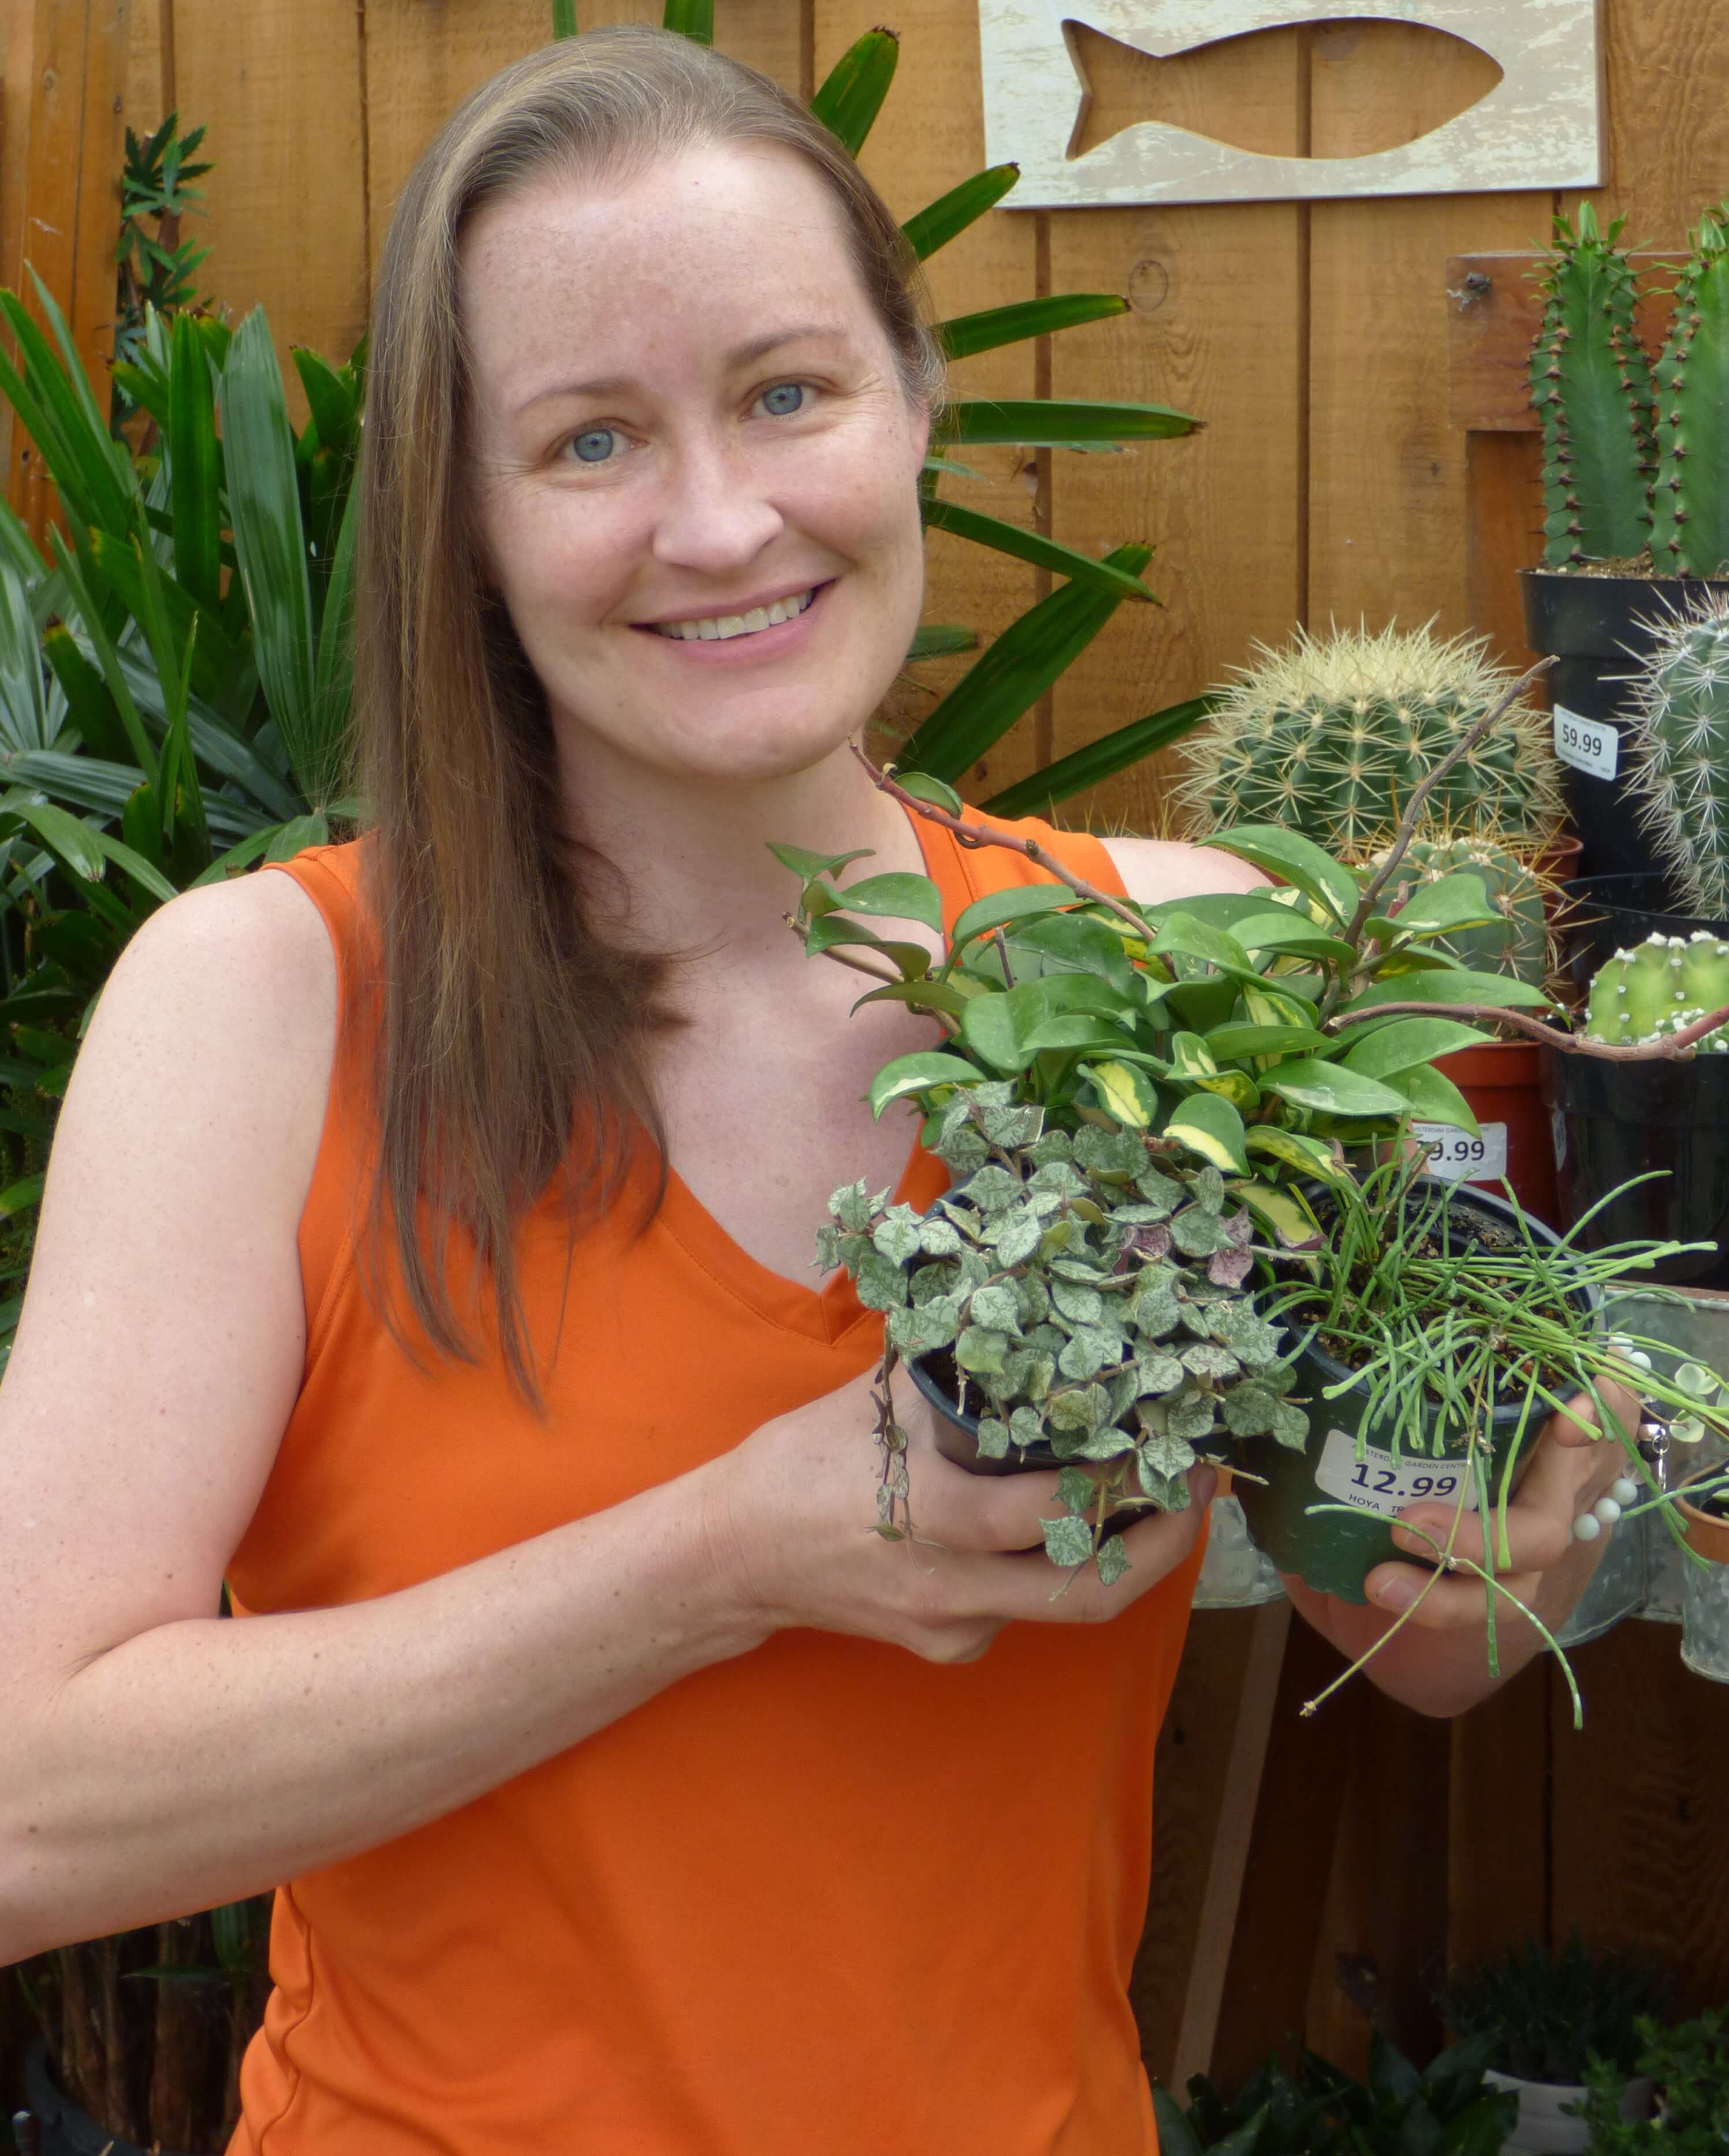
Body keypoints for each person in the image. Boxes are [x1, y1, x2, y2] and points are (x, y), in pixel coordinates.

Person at [0, 27, 1631, 2155]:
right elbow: (30, 1806)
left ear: (909, 406)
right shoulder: (272, 1006)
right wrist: (725, 1557)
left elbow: (1417, 1644)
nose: (717, 520)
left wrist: (1499, 1514)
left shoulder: (1198, 975)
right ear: (464, 519)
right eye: (588, 442)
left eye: (786, 392)